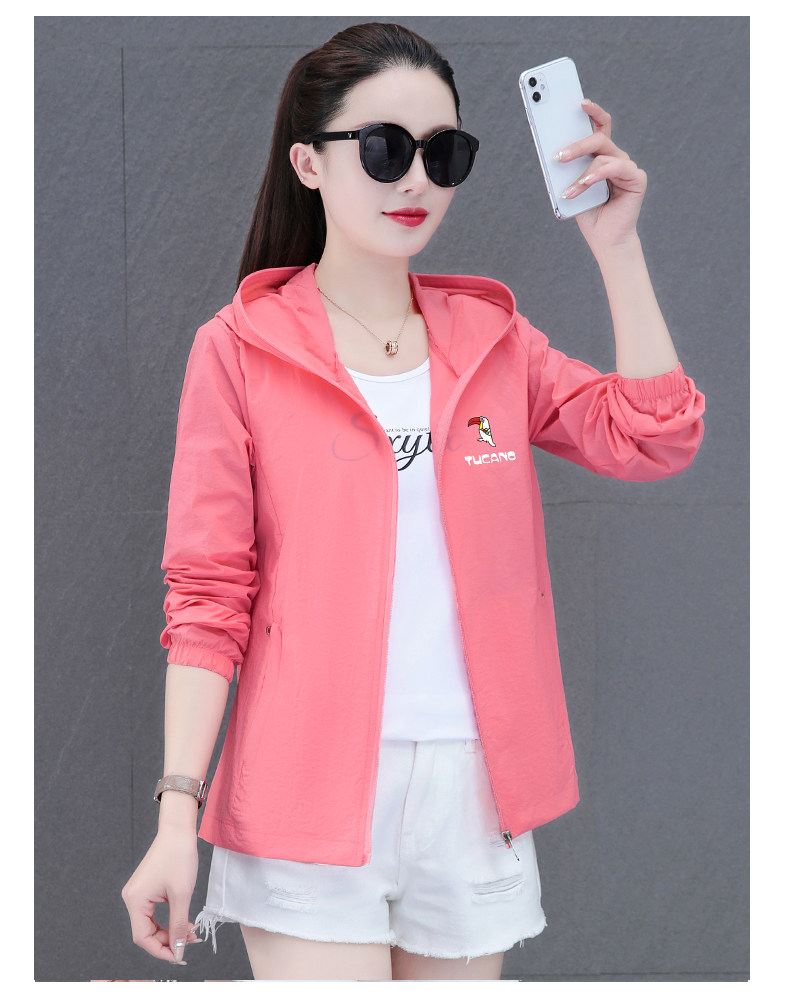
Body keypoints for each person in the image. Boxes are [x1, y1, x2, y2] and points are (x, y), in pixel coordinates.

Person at [121, 21, 705, 982]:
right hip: (304, 786)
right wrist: (177, 814)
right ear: (309, 162)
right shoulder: (239, 349)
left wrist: (618, 248)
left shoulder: (493, 340)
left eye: (445, 153)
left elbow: (654, 435)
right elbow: (207, 595)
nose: (417, 181)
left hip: (474, 789)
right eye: (386, 148)